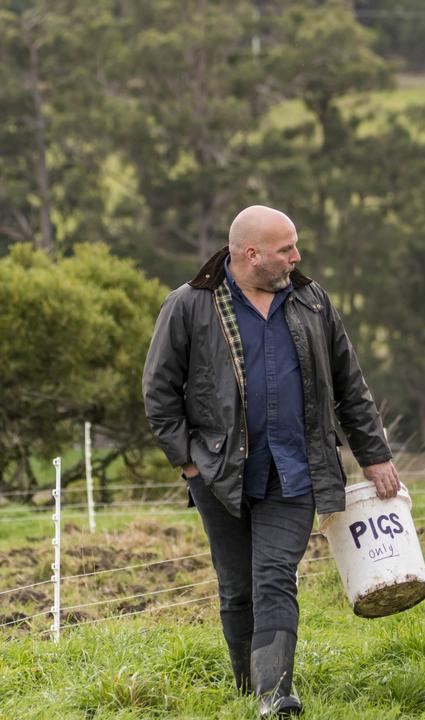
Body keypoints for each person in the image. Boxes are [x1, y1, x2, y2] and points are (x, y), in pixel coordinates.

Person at [142, 205, 400, 716]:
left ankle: (273, 694)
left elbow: (350, 385)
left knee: (274, 576)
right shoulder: (191, 305)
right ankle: (248, 687)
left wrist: (375, 456)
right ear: (250, 253)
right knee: (237, 587)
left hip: (297, 470)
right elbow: (159, 393)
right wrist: (190, 464)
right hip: (219, 476)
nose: (297, 257)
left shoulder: (311, 300)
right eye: (286, 249)